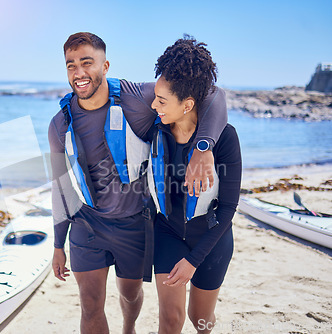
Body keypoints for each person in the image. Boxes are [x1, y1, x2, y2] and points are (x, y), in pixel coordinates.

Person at [48, 32, 228, 334]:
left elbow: (214, 94)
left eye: (87, 63)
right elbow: (61, 186)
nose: (78, 73)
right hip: (86, 223)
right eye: (71, 65)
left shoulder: (137, 98)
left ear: (105, 67)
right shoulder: (59, 123)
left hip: (134, 221)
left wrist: (204, 148)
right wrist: (57, 243)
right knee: (90, 303)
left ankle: (129, 328)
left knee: (130, 295)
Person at [148, 35, 242, 334]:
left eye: (162, 101)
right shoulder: (156, 130)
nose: (154, 105)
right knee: (171, 320)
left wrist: (193, 260)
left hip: (211, 240)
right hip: (168, 232)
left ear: (187, 104)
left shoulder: (225, 138)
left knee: (200, 319)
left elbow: (228, 207)